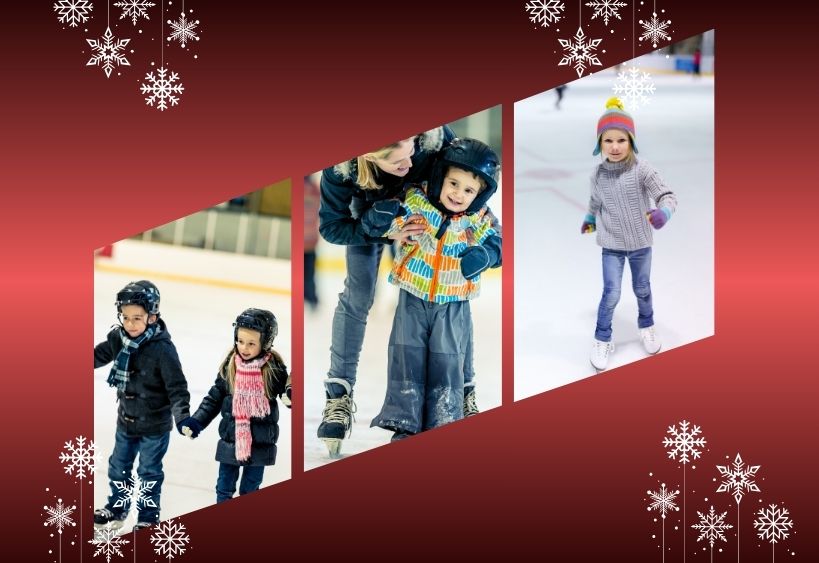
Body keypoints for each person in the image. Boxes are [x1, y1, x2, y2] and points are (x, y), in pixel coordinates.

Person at [316, 127, 502, 457]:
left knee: (455, 293)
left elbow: (468, 176)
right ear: (369, 156)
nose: (411, 158)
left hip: (422, 209)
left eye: (412, 149)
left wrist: (483, 247)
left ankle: (464, 389)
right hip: (372, 216)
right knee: (358, 295)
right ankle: (338, 395)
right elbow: (331, 226)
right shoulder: (341, 169)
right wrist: (379, 230)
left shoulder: (432, 138)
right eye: (398, 160)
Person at [360, 138, 501, 441]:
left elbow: (497, 242)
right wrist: (378, 219)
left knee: (446, 359)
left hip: (453, 302)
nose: (458, 194)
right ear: (440, 177)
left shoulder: (478, 217)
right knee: (405, 356)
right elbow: (389, 222)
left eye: (468, 190)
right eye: (453, 183)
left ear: (479, 194)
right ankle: (404, 421)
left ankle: (444, 419)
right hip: (412, 294)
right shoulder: (418, 201)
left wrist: (487, 254)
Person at [581, 98, 678, 371]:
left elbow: (667, 196)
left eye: (621, 140)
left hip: (640, 245)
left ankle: (646, 325)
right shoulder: (597, 174)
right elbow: (595, 201)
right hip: (611, 245)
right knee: (610, 293)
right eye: (608, 140)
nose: (614, 147)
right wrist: (590, 218)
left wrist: (663, 213)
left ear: (631, 141)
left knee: (642, 288)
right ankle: (602, 338)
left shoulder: (642, 169)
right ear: (599, 143)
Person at [93, 280, 191, 531]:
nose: (130, 324)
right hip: (126, 420)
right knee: (118, 466)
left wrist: (182, 418)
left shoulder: (163, 349)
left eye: (137, 318)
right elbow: (98, 355)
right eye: (125, 317)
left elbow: (177, 388)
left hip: (154, 427)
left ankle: (148, 516)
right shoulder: (119, 338)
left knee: (149, 472)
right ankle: (117, 506)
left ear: (152, 316)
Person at [178, 309, 290, 503]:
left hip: (260, 444)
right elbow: (213, 400)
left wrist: (290, 393)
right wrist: (196, 421)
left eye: (251, 343)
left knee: (250, 489)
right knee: (223, 489)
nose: (244, 348)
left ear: (266, 343)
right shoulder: (230, 367)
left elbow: (287, 393)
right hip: (231, 440)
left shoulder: (273, 369)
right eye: (240, 341)